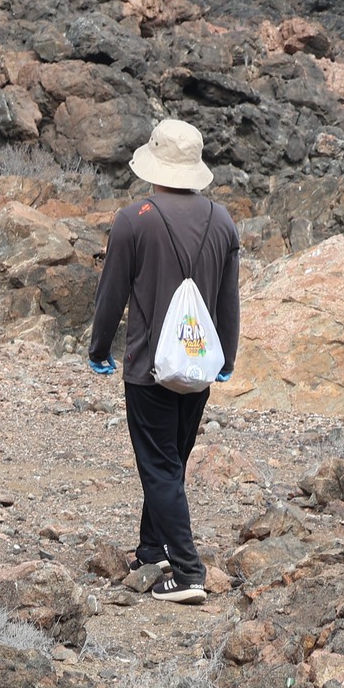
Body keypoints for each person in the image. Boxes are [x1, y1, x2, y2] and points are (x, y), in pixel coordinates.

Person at [87, 118, 241, 605]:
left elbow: (111, 296)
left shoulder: (136, 218)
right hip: (199, 368)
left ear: (154, 164)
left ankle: (188, 571)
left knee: (158, 466)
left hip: (149, 368)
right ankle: (151, 549)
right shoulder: (223, 221)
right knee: (170, 461)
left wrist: (98, 350)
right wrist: (226, 359)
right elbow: (228, 300)